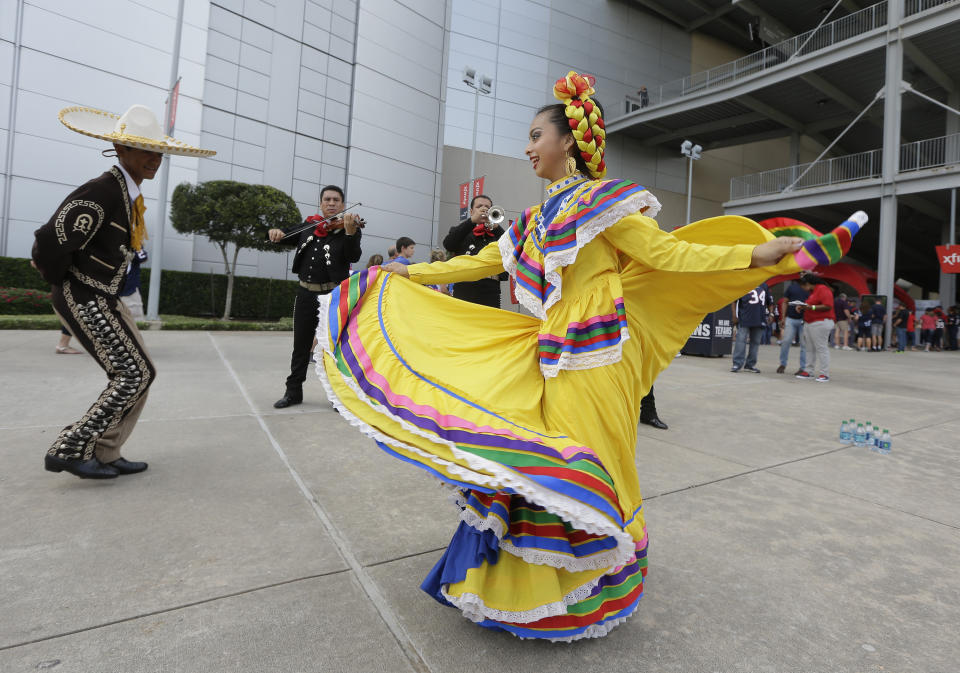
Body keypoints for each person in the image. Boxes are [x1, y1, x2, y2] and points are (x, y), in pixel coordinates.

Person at [315, 72, 866, 641]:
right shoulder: (534, 219)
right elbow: (480, 263)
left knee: (595, 464)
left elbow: (668, 253)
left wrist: (758, 252)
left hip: (600, 354)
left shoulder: (606, 202)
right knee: (542, 460)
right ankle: (527, 589)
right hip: (552, 351)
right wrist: (411, 272)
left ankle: (591, 582)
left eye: (535, 135)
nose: (527, 147)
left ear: (568, 141)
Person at [32, 103, 214, 479]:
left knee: (141, 372)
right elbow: (51, 239)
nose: (154, 159)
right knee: (133, 374)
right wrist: (63, 279)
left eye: (158, 151)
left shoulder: (126, 193)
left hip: (104, 297)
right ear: (121, 150)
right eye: (145, 150)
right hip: (83, 296)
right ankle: (69, 448)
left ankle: (107, 451)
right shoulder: (104, 190)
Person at [268, 185, 362, 408]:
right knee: (300, 345)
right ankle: (293, 393)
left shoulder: (350, 228)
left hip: (331, 296)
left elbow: (353, 256)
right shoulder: (310, 225)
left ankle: (337, 396)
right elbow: (284, 236)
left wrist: (349, 233)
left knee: (332, 348)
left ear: (342, 204)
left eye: (336, 200)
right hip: (305, 294)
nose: (331, 203)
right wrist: (275, 232)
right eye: (327, 199)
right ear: (321, 203)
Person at [442, 194, 507, 307]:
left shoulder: (497, 235)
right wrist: (471, 221)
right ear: (471, 211)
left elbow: (513, 247)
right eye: (479, 206)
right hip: (465, 286)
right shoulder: (462, 231)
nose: (484, 209)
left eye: (488, 207)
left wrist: (496, 227)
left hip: (491, 288)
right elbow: (448, 244)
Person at [795, 274, 835, 381]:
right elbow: (812, 305)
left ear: (807, 284)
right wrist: (803, 307)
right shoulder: (813, 292)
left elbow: (828, 305)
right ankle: (808, 371)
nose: (802, 289)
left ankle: (824, 373)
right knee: (809, 348)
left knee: (821, 348)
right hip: (811, 322)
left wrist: (810, 307)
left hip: (820, 322)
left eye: (802, 286)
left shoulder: (822, 289)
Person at [730, 282, 769, 373]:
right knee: (741, 341)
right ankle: (737, 363)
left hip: (759, 318)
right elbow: (734, 300)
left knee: (755, 343)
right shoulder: (744, 282)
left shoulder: (764, 285)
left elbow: (769, 301)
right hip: (745, 317)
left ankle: (750, 365)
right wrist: (734, 315)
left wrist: (770, 314)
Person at [777, 276, 809, 374]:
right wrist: (783, 317)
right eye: (802, 272)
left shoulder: (810, 288)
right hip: (791, 318)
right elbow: (784, 302)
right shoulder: (791, 287)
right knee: (786, 341)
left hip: (804, 319)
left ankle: (803, 367)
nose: (804, 274)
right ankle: (783, 364)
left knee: (804, 345)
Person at [119, 247, 148, 318]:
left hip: (130, 287)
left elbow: (143, 257)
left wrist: (133, 254)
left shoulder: (134, 244)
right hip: (112, 286)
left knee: (134, 315)